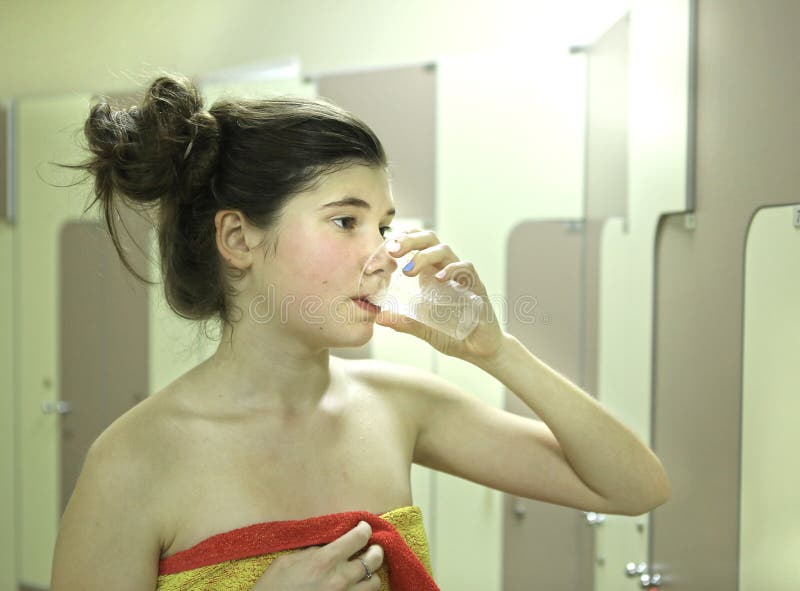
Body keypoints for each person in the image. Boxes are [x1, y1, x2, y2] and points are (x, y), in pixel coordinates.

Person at [50, 73, 670, 591]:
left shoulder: (399, 407)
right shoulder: (132, 461)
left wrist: (498, 352)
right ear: (238, 239)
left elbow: (634, 487)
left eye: (385, 226)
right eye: (346, 221)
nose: (384, 255)